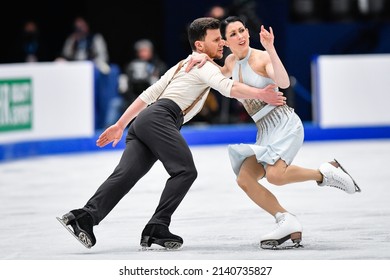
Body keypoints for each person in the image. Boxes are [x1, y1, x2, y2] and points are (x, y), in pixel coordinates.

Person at [57, 17, 286, 250]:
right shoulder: (202, 66)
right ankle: (157, 226)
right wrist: (262, 94)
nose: (223, 44)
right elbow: (229, 88)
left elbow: (149, 94)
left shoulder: (185, 64)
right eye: (217, 39)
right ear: (199, 45)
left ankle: (84, 217)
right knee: (185, 171)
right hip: (161, 118)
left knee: (125, 175)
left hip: (144, 122)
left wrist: (122, 124)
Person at [187, 16, 360, 249]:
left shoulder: (261, 57)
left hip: (284, 124)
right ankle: (285, 219)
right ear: (226, 42)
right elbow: (217, 73)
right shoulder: (230, 62)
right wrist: (199, 56)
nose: (240, 36)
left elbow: (283, 82)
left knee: (275, 176)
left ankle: (325, 173)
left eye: (242, 30)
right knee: (245, 179)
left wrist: (270, 48)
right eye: (233, 34)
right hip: (264, 131)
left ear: (248, 32)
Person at [105, 39, 168, 126]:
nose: (142, 53)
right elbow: (123, 87)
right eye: (140, 51)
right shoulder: (130, 66)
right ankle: (107, 130)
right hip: (131, 99)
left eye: (145, 51)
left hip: (152, 100)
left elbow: (163, 87)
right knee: (115, 103)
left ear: (151, 51)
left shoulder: (159, 66)